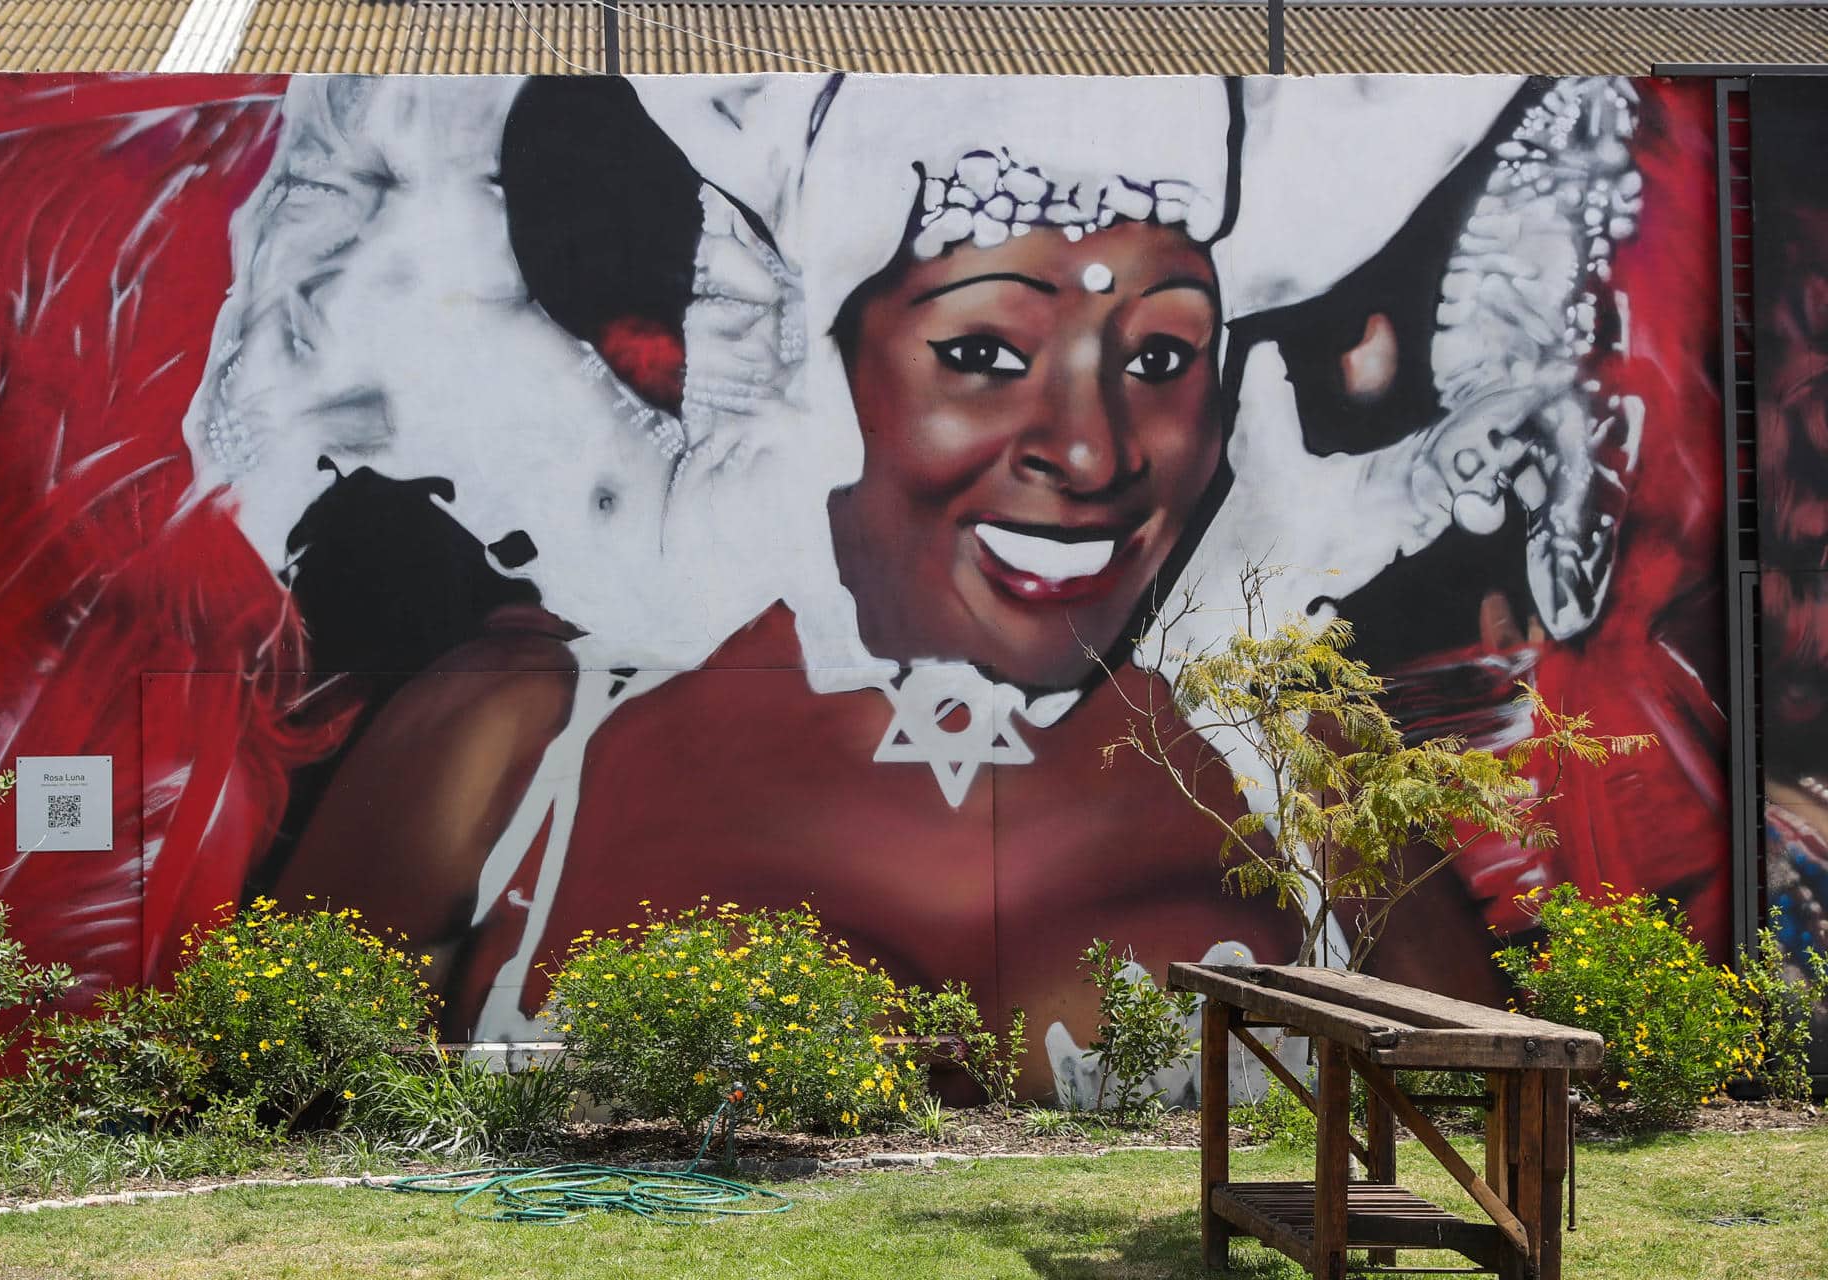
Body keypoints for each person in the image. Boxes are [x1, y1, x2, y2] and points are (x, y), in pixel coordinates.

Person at [208, 74, 1629, 1097]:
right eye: (984, 355)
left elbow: (1492, 1109)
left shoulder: (1290, 763)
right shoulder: (516, 739)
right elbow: (258, 1150)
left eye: (1161, 358)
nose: (1092, 450)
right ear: (828, 367)